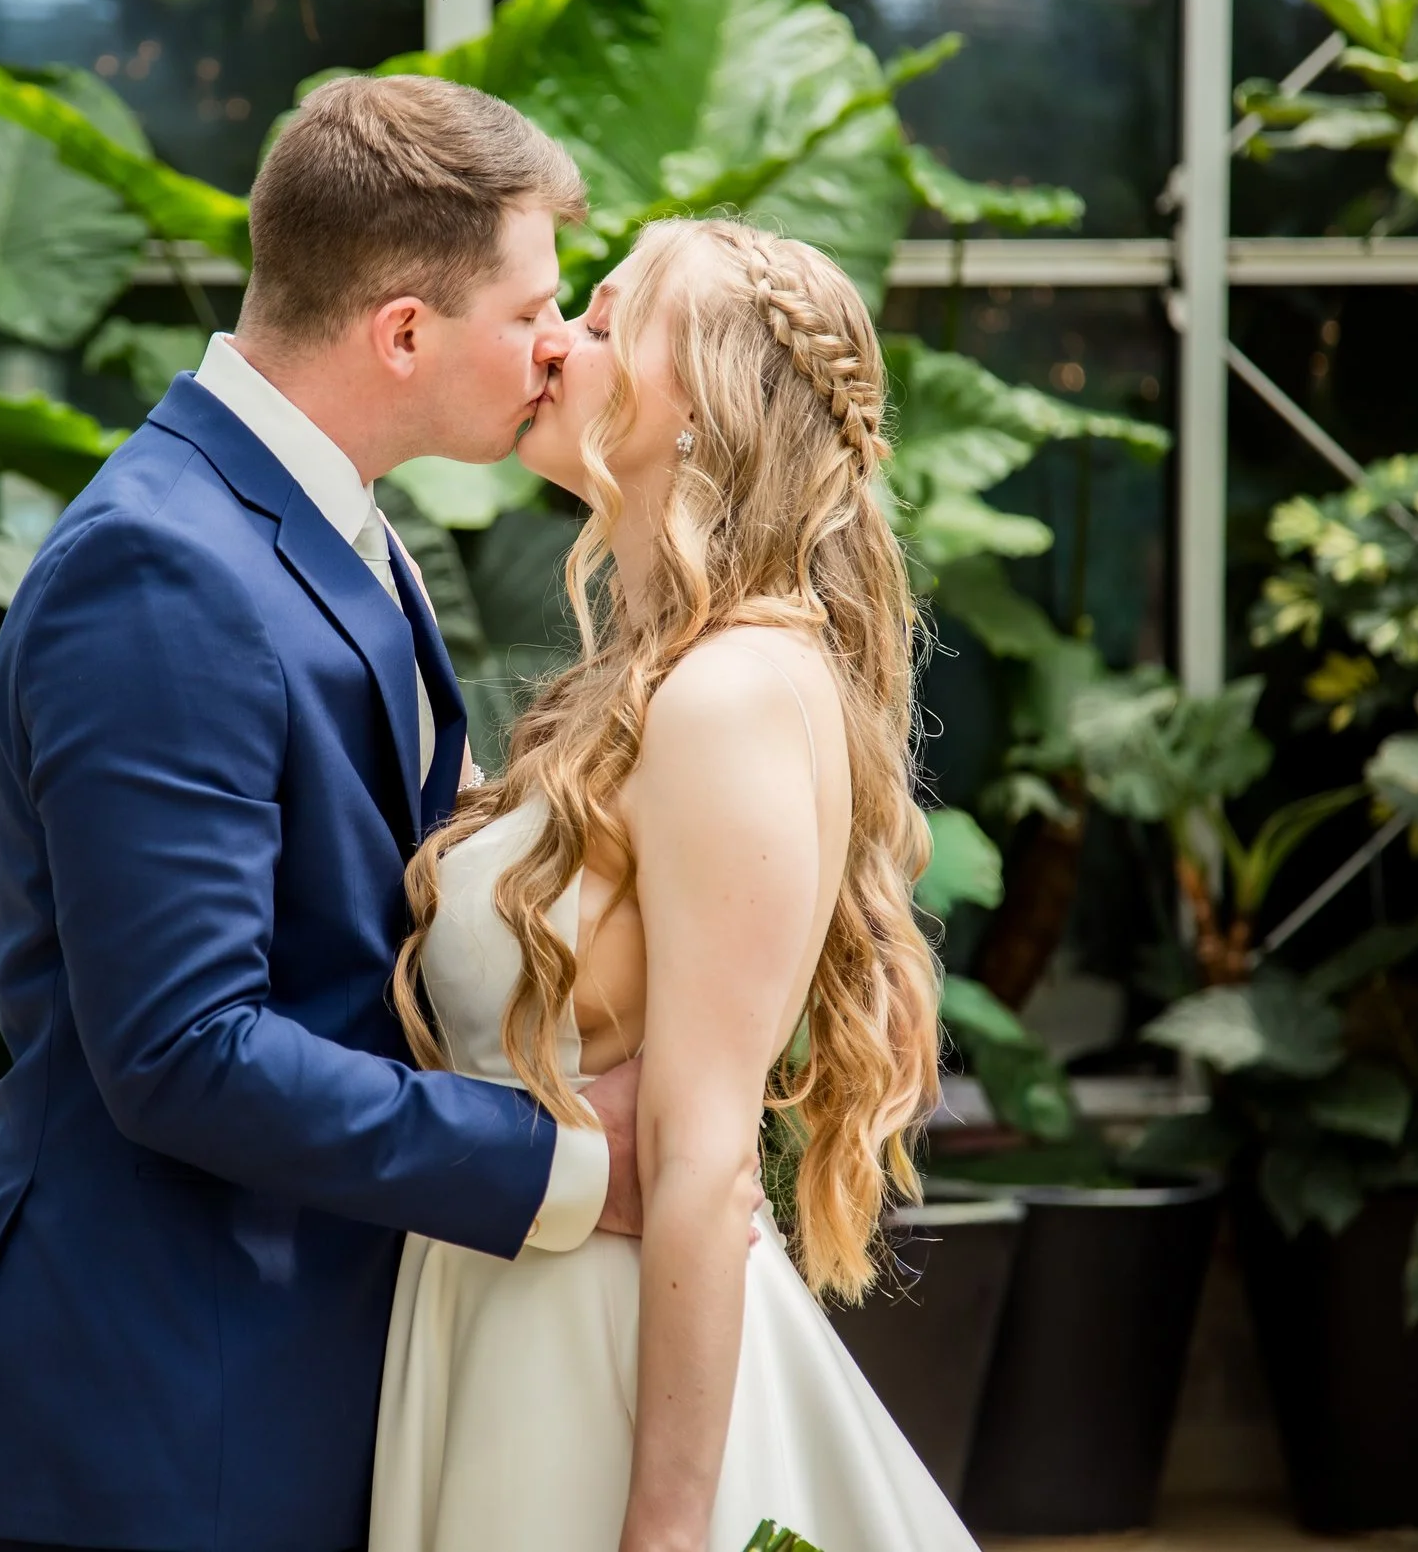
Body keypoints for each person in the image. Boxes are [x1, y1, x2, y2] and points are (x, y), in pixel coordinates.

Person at [0, 74, 652, 1552]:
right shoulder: (160, 569)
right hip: (168, 1418)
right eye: (532, 310)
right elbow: (183, 1053)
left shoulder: (338, 520)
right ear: (405, 332)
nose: (560, 346)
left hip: (285, 1378)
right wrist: (569, 1167)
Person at [370, 217, 979, 1552]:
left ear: (700, 405)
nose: (555, 342)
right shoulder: (656, 680)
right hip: (503, 1321)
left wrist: (662, 1524)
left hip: (597, 1361)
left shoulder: (732, 692)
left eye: (602, 323)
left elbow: (701, 1160)